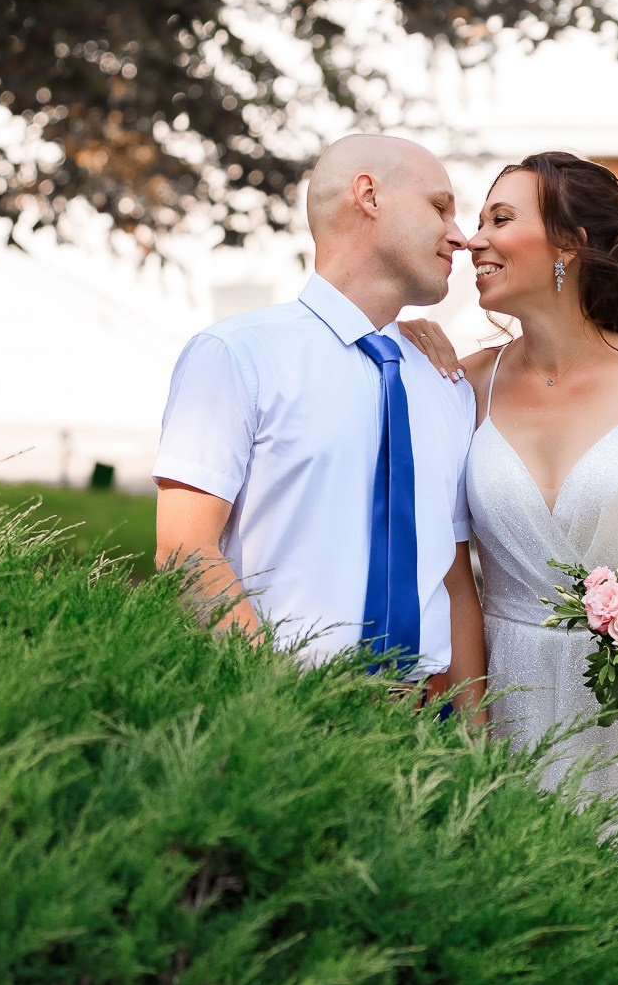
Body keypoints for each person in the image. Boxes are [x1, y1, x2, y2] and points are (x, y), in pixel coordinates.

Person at [150, 134, 485, 715]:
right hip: (279, 711)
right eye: (440, 206)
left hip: (429, 727)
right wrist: (281, 704)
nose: (460, 235)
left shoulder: (443, 383)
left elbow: (454, 578)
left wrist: (475, 739)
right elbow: (186, 550)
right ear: (368, 195)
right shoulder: (236, 355)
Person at [452, 151, 618, 855]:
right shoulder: (463, 383)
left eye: (500, 219)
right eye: (478, 220)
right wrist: (470, 726)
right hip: (503, 700)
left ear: (569, 244)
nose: (473, 238)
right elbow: (450, 570)